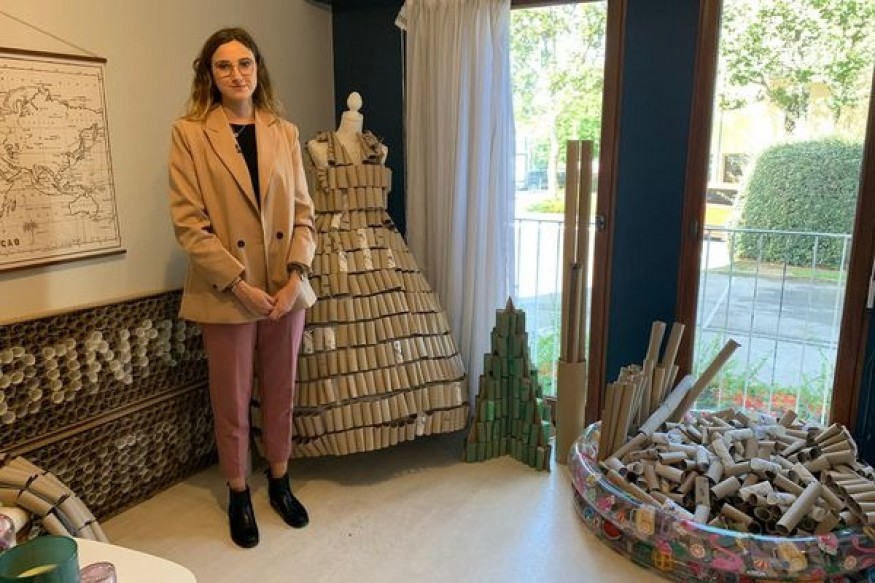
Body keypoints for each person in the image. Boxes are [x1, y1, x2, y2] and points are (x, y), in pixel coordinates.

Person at [167, 27, 316, 549]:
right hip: (226, 291)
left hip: (285, 289)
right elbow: (190, 226)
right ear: (210, 75)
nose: (237, 74)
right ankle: (237, 491)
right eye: (224, 66)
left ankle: (279, 479)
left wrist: (296, 276)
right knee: (230, 399)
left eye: (245, 63)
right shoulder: (190, 133)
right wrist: (238, 284)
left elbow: (304, 214)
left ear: (258, 69)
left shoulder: (284, 131)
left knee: (281, 392)